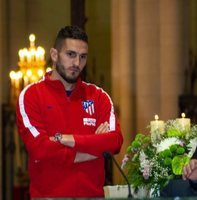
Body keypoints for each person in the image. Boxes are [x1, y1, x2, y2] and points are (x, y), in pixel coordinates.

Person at [16, 25, 123, 198]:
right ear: (54, 55)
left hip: (93, 196)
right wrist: (95, 146)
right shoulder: (30, 96)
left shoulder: (99, 96)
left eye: (82, 57)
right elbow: (40, 149)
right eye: (70, 54)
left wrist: (69, 139)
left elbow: (114, 141)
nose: (76, 63)